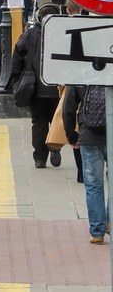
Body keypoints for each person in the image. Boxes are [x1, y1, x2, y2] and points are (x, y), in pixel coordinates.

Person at [8, 3, 63, 168]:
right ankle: (54, 147)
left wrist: (16, 79)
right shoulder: (62, 34)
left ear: (38, 17)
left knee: (38, 122)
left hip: (35, 88)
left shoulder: (29, 35)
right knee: (54, 120)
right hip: (56, 88)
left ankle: (40, 157)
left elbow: (17, 56)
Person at [62, 82, 108, 243]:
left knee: (94, 185)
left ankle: (97, 232)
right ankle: (109, 220)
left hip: (88, 136)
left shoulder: (82, 70)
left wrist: (71, 135)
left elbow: (68, 109)